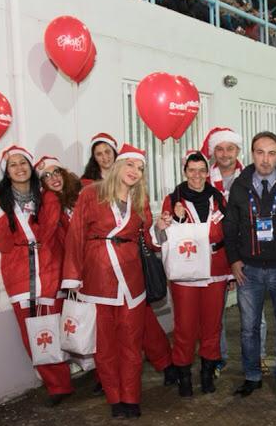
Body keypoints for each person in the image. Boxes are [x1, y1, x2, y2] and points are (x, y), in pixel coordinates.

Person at [37, 154, 178, 387]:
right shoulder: (51, 203)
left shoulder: (88, 189)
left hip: (126, 273)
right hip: (93, 274)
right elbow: (66, 238)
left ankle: (164, 363)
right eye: (46, 176)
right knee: (104, 335)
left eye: (56, 172)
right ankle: (109, 382)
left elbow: (141, 230)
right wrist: (73, 275)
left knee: (144, 326)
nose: (53, 178)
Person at [62, 144, 157, 418]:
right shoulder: (91, 194)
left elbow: (149, 239)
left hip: (131, 281)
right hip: (97, 279)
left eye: (140, 168)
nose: (135, 172)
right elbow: (76, 235)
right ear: (118, 166)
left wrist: (162, 228)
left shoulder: (141, 199)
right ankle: (115, 398)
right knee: (105, 345)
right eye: (130, 165)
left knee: (131, 342)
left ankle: (131, 397)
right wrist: (72, 277)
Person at [0, 146, 73, 406]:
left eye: (23, 162)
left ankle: (66, 375)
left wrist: (26, 234)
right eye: (13, 165)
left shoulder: (47, 197)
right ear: (6, 171)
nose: (19, 168)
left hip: (50, 267)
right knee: (30, 332)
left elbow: (45, 233)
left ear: (30, 167)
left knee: (54, 327)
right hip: (19, 273)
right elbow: (3, 244)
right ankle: (57, 385)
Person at [223, 132, 276, 397]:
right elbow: (230, 227)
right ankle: (252, 375)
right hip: (249, 270)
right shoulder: (239, 186)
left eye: (271, 153)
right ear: (251, 153)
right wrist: (234, 261)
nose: (265, 159)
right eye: (260, 152)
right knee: (248, 328)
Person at [157, 150, 230, 397]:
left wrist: (230, 273)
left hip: (215, 270)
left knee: (212, 325)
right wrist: (173, 221)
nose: (197, 175)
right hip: (186, 270)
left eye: (201, 170)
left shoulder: (218, 198)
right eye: (192, 170)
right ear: (184, 171)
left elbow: (227, 233)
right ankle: (184, 375)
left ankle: (208, 373)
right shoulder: (173, 199)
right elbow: (164, 236)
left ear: (207, 172)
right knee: (185, 327)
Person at [203, 127, 269, 373]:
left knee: (254, 312)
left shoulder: (253, 177)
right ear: (213, 152)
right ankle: (217, 356)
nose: (225, 153)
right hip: (217, 253)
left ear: (239, 151)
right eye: (219, 149)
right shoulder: (205, 179)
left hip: (249, 251)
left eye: (230, 148)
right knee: (214, 313)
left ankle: (258, 355)